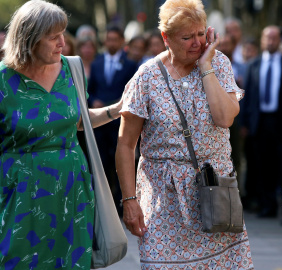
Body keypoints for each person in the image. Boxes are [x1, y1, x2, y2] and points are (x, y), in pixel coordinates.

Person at [115, 0, 254, 269]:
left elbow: (225, 118)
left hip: (214, 192)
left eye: (201, 34)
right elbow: (125, 144)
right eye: (187, 37)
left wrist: (206, 66)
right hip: (163, 198)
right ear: (165, 38)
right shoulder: (146, 77)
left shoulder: (218, 63)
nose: (197, 42)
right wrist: (129, 200)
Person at [0, 1, 123, 268]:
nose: (62, 43)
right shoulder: (2, 80)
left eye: (63, 34)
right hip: (19, 191)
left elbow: (78, 122)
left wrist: (117, 110)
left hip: (71, 188)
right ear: (29, 39)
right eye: (53, 36)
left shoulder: (72, 69)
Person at [241, 25, 282, 218]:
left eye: (274, 38)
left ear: (279, 40)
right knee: (263, 165)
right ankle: (267, 205)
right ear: (262, 40)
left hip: (281, 122)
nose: (271, 41)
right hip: (260, 122)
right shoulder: (253, 65)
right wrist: (245, 123)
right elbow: (247, 96)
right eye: (267, 38)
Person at [88, 25, 138, 215]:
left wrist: (116, 104)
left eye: (115, 39)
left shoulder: (130, 64)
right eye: (108, 39)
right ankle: (101, 206)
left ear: (121, 41)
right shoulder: (97, 62)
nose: (111, 43)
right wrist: (94, 101)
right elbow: (90, 90)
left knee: (119, 162)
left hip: (119, 121)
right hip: (100, 124)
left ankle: (121, 205)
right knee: (101, 163)